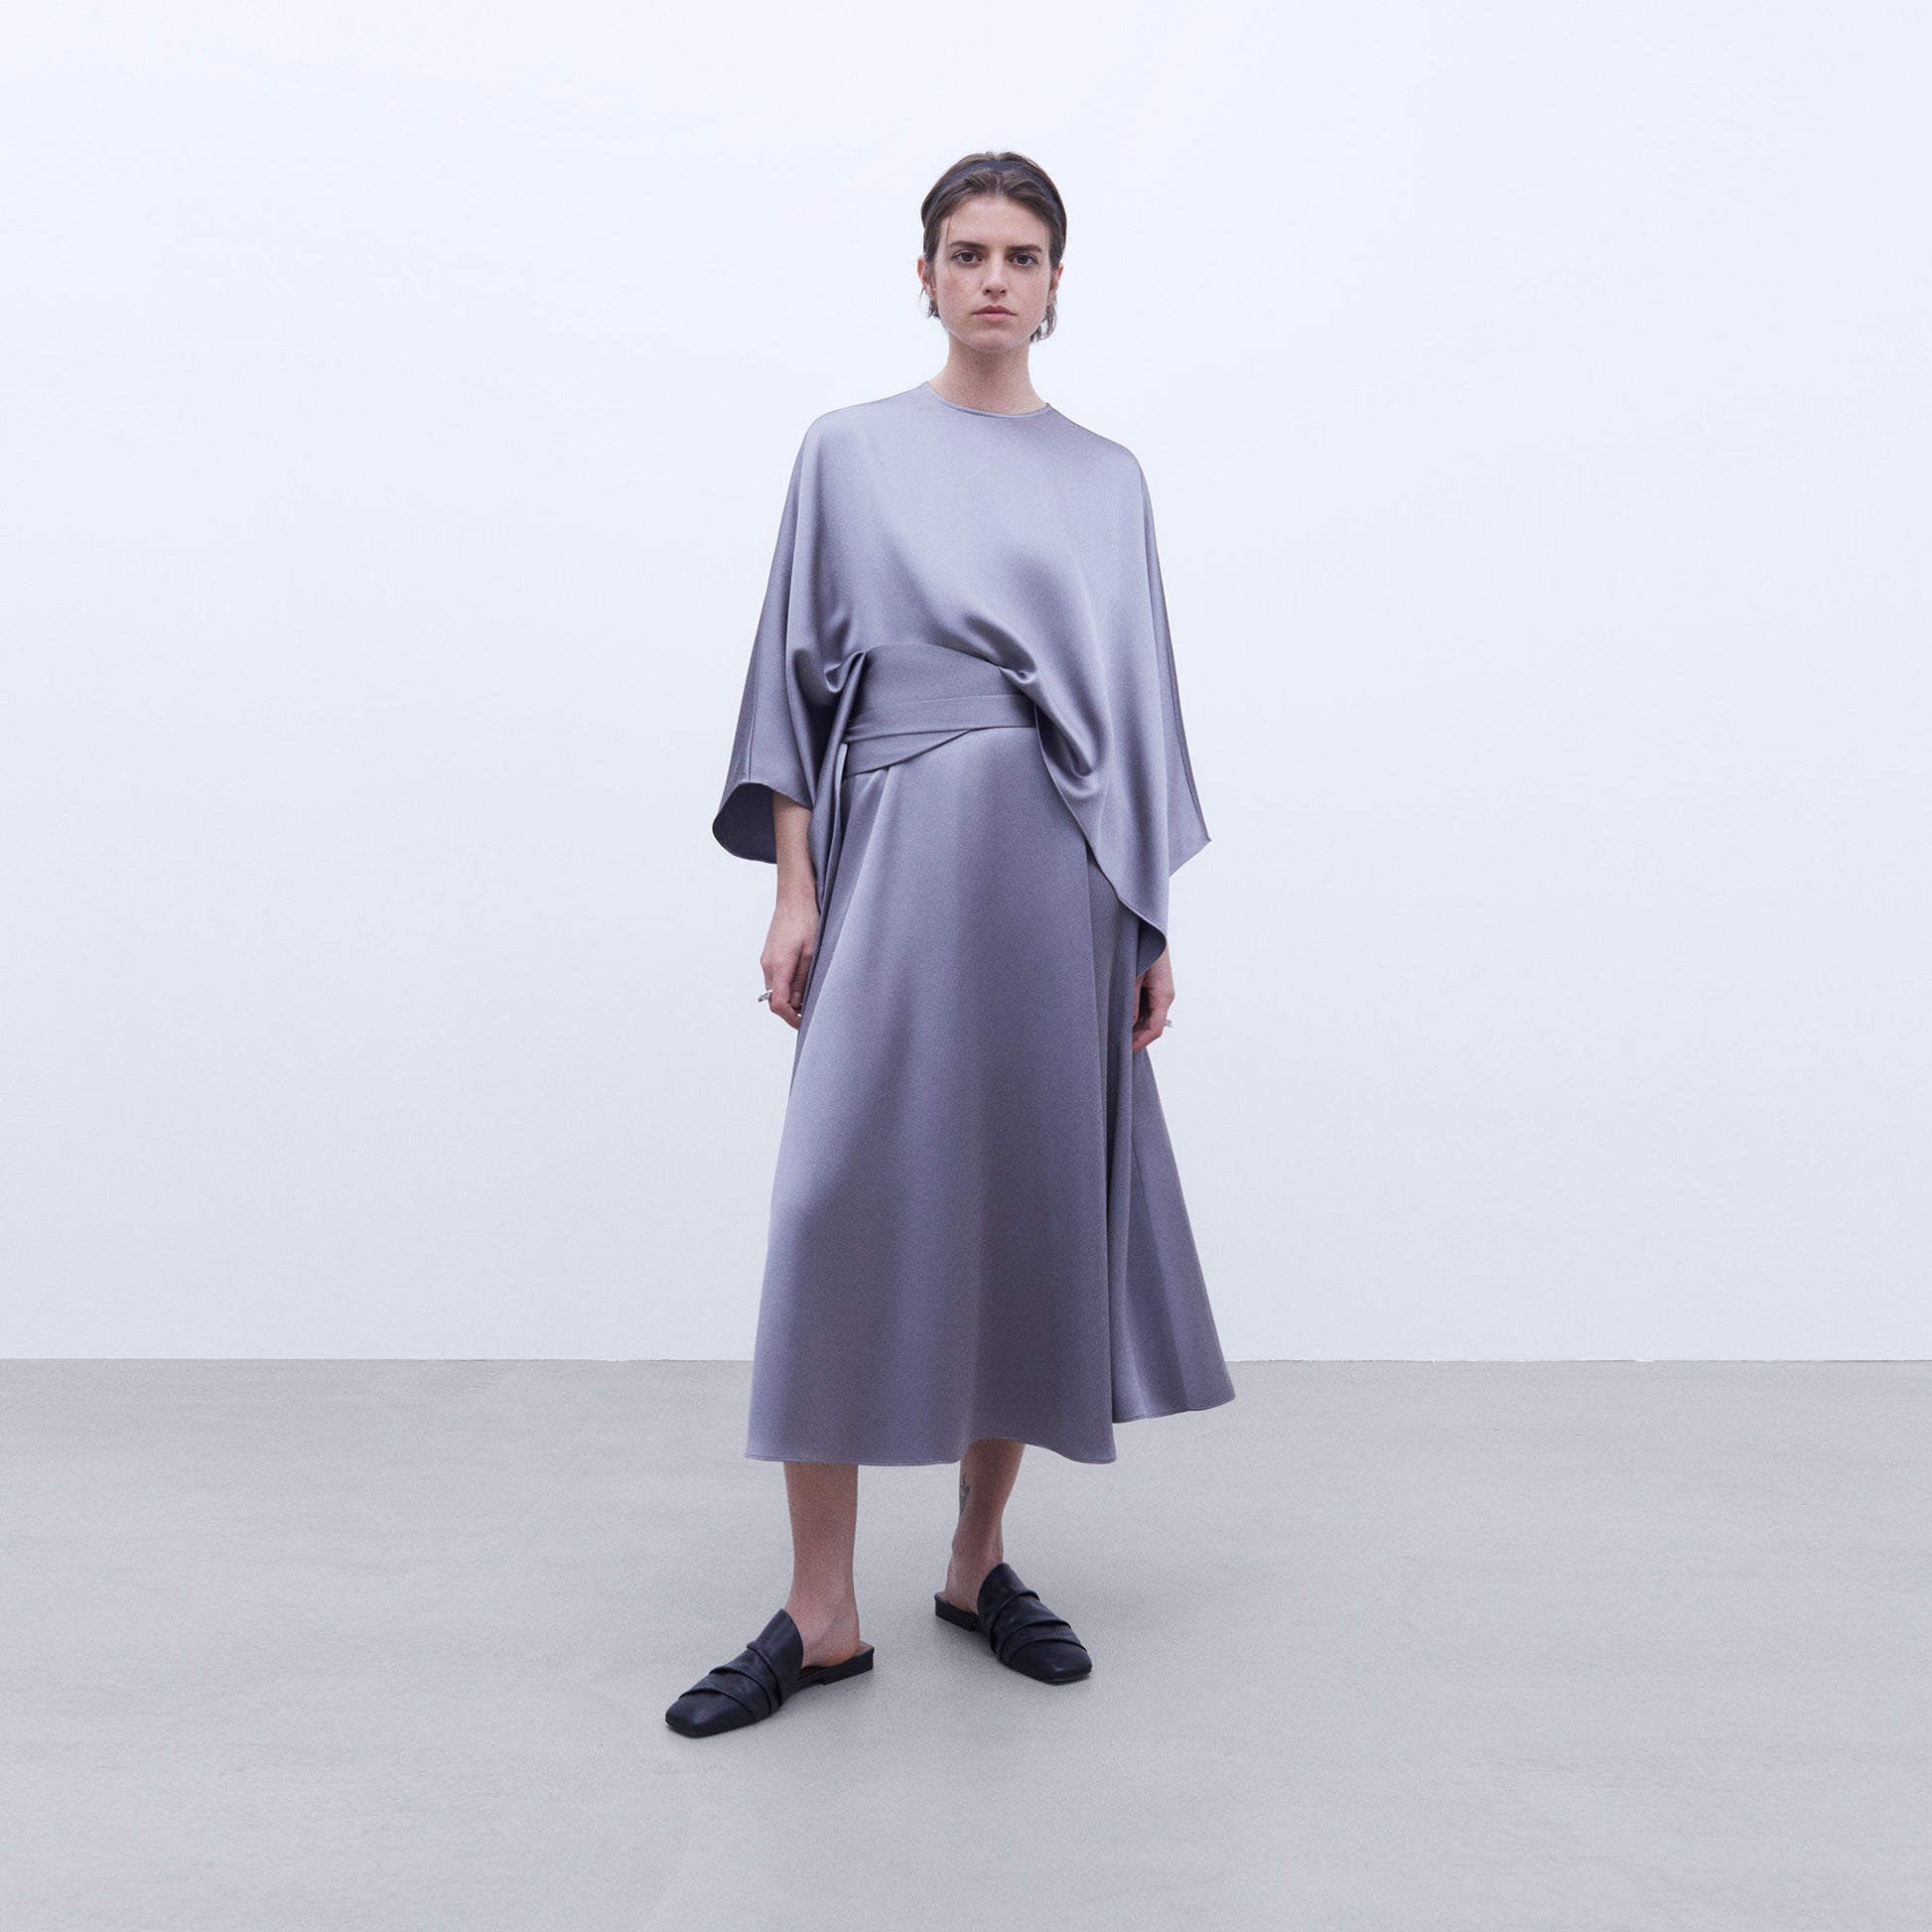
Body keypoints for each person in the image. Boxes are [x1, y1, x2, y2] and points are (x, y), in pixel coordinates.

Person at [665, 150, 1236, 1739]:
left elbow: (1135, 708)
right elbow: (795, 681)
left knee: (1022, 1201)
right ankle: (818, 1609)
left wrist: (1144, 916)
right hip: (895, 853)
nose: (994, 276)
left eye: (1022, 254)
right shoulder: (847, 452)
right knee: (834, 1194)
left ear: (1056, 286)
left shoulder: (1107, 478)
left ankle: (977, 1561)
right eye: (967, 251)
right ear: (921, 275)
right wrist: (795, 889)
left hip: (1060, 876)